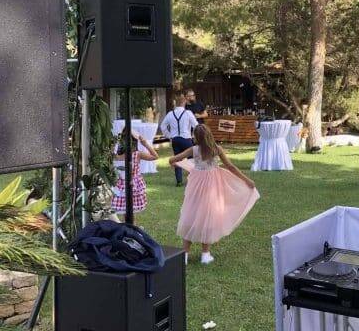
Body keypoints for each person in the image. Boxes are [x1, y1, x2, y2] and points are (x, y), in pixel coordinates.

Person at [169, 124, 259, 265]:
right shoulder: (217, 149)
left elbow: (173, 159)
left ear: (196, 137)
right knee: (209, 215)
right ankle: (205, 254)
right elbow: (230, 166)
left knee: (191, 213)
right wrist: (247, 180)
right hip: (212, 186)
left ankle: (185, 254)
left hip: (196, 186)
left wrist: (175, 163)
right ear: (209, 135)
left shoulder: (193, 149)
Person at [111, 130, 159, 220]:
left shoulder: (115, 156)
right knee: (131, 212)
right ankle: (131, 227)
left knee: (126, 211)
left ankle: (128, 226)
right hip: (133, 184)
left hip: (121, 185)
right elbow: (155, 156)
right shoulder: (137, 154)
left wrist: (114, 143)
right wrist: (145, 144)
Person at [161, 92, 199, 187]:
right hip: (186, 139)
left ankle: (179, 181)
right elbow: (196, 126)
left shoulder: (170, 114)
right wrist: (194, 136)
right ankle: (192, 180)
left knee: (177, 159)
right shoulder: (188, 113)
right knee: (191, 159)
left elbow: (163, 126)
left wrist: (169, 136)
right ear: (184, 102)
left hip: (175, 140)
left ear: (176, 103)